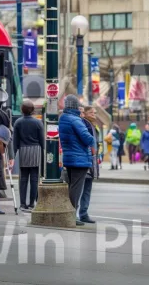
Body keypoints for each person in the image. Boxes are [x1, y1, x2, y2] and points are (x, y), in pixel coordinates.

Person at [59, 95, 94, 226]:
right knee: (76, 189)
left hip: (69, 157)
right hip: (79, 158)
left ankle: (68, 213)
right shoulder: (75, 120)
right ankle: (72, 215)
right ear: (75, 106)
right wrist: (91, 139)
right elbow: (87, 138)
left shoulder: (63, 118)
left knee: (71, 186)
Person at [13, 100, 44, 211]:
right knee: (35, 178)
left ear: (22, 110)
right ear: (33, 110)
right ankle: (31, 203)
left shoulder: (18, 122)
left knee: (23, 178)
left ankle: (22, 203)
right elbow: (42, 140)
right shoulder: (38, 122)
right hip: (35, 150)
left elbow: (15, 140)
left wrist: (14, 153)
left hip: (23, 151)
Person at [79, 106, 100, 224]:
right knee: (81, 188)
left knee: (87, 187)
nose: (94, 114)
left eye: (94, 112)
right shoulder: (84, 123)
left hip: (92, 160)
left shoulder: (92, 124)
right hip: (86, 159)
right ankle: (79, 213)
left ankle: (83, 213)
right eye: (91, 112)